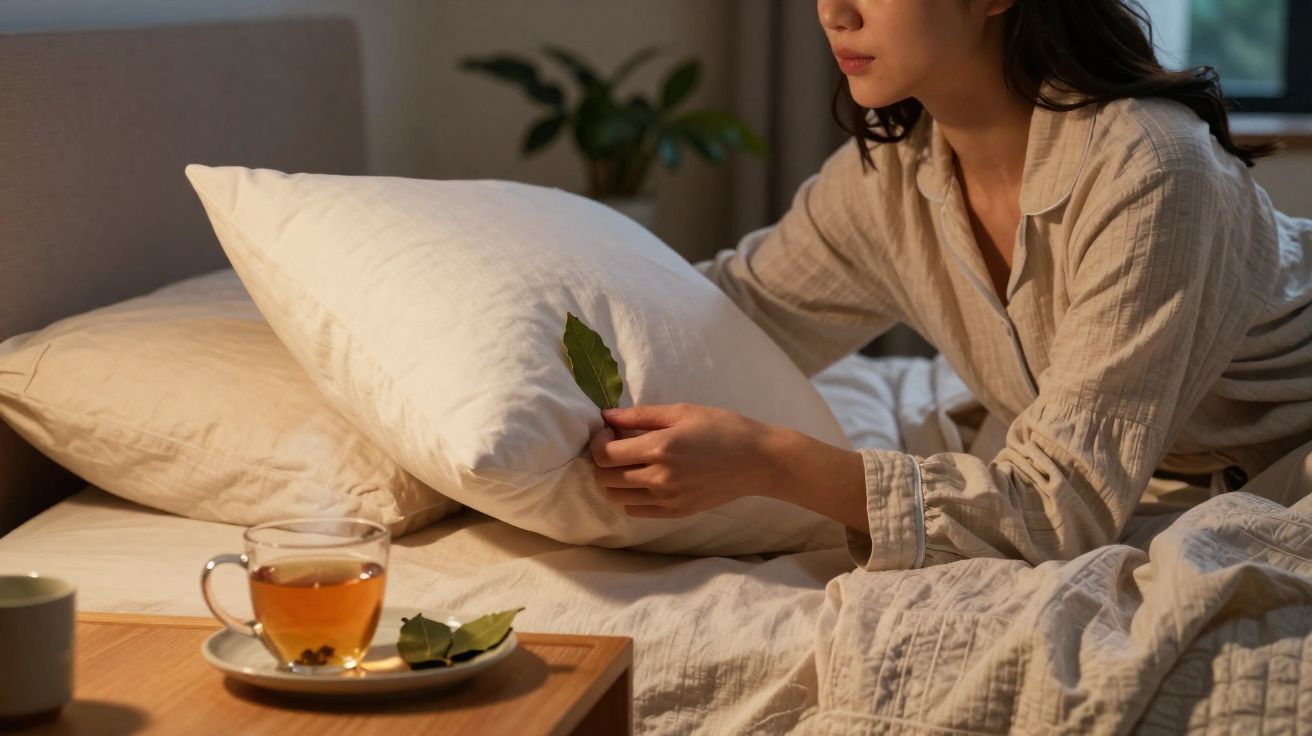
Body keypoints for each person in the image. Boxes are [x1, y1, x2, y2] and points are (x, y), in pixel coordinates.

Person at [588, 0, 1312, 570]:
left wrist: (771, 461)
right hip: (1166, 472)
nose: (833, 12)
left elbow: (1059, 506)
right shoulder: (892, 176)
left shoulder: (1151, 167)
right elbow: (733, 314)